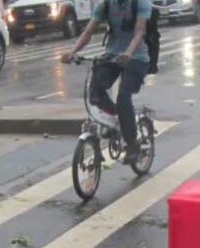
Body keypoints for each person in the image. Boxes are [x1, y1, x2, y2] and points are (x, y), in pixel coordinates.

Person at [61, 0, 151, 164]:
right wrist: (72, 52)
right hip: (112, 55)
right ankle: (117, 121)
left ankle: (132, 145)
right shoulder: (106, 5)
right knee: (95, 93)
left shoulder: (140, 3)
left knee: (124, 97)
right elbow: (88, 31)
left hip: (137, 58)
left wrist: (129, 53)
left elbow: (139, 32)